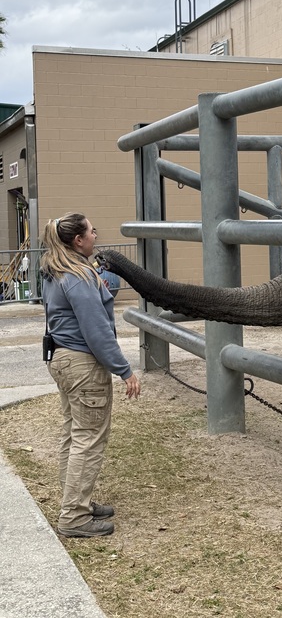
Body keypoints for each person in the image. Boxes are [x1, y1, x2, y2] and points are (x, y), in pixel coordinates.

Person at [41, 213, 141, 538]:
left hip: (61, 359)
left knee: (74, 435)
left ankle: (77, 503)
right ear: (78, 241)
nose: (95, 235)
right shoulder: (79, 277)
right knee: (88, 440)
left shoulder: (55, 270)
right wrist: (124, 371)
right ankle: (74, 517)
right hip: (83, 366)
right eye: (90, 231)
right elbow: (97, 331)